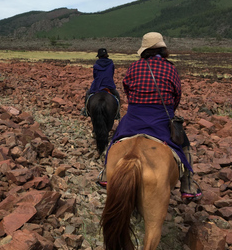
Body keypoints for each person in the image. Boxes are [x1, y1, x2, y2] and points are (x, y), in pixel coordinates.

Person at [108, 32, 202, 201]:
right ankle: (187, 184)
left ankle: (104, 174)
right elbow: (177, 95)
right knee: (185, 145)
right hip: (161, 118)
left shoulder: (134, 67)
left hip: (135, 116)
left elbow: (127, 90)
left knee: (115, 140)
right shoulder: (170, 68)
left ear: (144, 51)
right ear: (162, 49)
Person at [81, 48, 120, 119]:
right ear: (106, 55)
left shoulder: (96, 65)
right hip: (109, 85)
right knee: (117, 95)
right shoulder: (111, 64)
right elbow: (111, 74)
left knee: (88, 93)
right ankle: (117, 113)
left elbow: (95, 76)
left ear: (99, 56)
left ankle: (86, 111)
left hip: (98, 85)